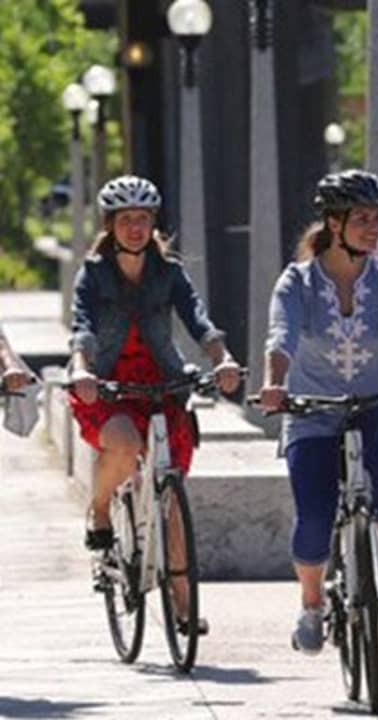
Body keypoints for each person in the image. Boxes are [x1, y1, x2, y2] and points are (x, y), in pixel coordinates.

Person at [257, 169, 378, 654]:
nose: (373, 227)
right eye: (362, 218)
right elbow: (281, 337)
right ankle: (310, 606)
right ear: (335, 223)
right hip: (311, 409)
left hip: (376, 400)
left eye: (377, 218)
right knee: (315, 515)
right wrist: (274, 385)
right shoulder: (297, 282)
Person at [68, 174, 242, 633]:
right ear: (111, 225)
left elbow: (198, 320)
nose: (135, 228)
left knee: (171, 495)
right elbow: (82, 324)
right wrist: (81, 368)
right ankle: (102, 509)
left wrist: (222, 360)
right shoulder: (95, 272)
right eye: (126, 219)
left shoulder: (169, 272)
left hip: (161, 384)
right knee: (123, 445)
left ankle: (183, 607)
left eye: (143, 219)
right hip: (106, 383)